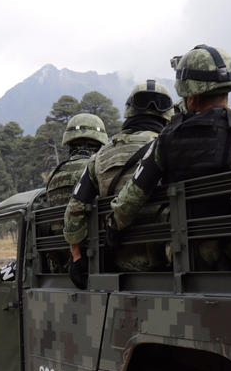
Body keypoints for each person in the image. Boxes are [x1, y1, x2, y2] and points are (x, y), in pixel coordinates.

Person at [108, 44, 231, 270]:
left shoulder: (166, 139)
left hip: (187, 257)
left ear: (189, 96)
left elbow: (130, 200)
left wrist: (113, 226)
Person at [64, 80, 174, 285]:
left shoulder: (100, 157)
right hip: (168, 260)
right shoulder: (170, 145)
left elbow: (74, 211)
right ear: (167, 113)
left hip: (117, 262)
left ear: (129, 111)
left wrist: (77, 258)